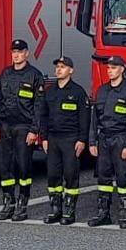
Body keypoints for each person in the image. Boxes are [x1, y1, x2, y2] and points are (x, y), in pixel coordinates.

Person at [0, 40, 45, 221]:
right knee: (5, 167)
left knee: (23, 167)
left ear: (26, 54)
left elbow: (38, 106)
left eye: (20, 52)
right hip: (6, 126)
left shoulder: (34, 75)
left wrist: (34, 130)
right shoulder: (5, 73)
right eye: (14, 52)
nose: (16, 55)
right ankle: (8, 203)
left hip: (24, 127)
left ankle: (22, 203)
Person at [86, 55, 126, 228]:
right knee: (103, 177)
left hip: (120, 138)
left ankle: (124, 215)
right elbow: (94, 119)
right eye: (108, 68)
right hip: (104, 139)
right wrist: (92, 142)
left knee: (123, 178)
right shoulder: (102, 91)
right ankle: (103, 213)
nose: (110, 71)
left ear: (122, 69)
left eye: (113, 68)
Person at [38, 56, 89, 225]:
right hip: (53, 139)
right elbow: (43, 116)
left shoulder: (78, 92)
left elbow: (84, 118)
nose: (59, 69)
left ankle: (69, 211)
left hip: (71, 139)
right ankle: (55, 209)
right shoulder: (50, 91)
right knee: (53, 175)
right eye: (57, 67)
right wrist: (43, 138)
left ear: (71, 70)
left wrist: (82, 140)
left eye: (63, 67)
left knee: (70, 174)